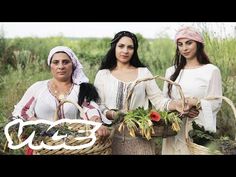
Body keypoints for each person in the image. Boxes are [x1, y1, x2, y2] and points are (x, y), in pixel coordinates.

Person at [94, 31, 191, 155]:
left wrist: (176, 105)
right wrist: (112, 114)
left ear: (134, 51)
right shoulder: (103, 74)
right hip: (110, 138)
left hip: (140, 137)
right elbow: (98, 105)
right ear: (114, 47)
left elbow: (159, 100)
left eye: (130, 47)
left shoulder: (143, 73)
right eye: (121, 46)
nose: (125, 51)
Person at [12, 46, 110, 138]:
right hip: (43, 143)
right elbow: (21, 111)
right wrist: (39, 125)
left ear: (73, 65)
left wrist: (97, 124)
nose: (60, 66)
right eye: (56, 62)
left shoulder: (81, 89)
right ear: (50, 65)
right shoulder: (38, 88)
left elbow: (90, 110)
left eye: (65, 62)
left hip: (74, 143)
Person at [162, 26, 223, 154]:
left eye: (189, 43)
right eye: (180, 44)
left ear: (198, 44)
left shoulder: (211, 70)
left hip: (198, 133)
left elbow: (216, 102)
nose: (184, 48)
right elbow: (164, 102)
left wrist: (196, 104)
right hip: (174, 130)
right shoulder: (171, 71)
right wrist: (179, 108)